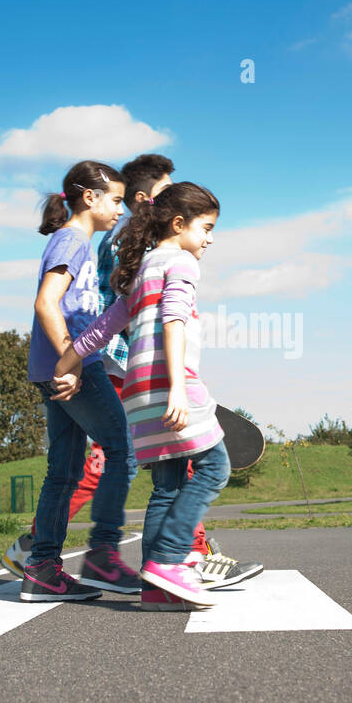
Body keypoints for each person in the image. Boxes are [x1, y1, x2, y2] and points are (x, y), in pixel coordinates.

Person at [54, 182, 232, 609]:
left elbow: (105, 325)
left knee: (167, 485)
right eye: (206, 227)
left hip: (135, 394)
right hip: (172, 385)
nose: (209, 238)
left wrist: (67, 361)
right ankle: (171, 560)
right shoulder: (183, 264)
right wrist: (177, 388)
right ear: (178, 224)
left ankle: (156, 589)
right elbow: (173, 321)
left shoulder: (143, 267)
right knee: (214, 467)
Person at [14, 160, 142, 603]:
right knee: (122, 450)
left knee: (64, 471)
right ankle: (103, 555)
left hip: (60, 368)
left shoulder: (79, 243)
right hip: (72, 368)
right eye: (117, 201)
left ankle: (42, 569)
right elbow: (46, 303)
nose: (120, 211)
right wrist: (70, 361)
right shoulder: (71, 240)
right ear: (90, 198)